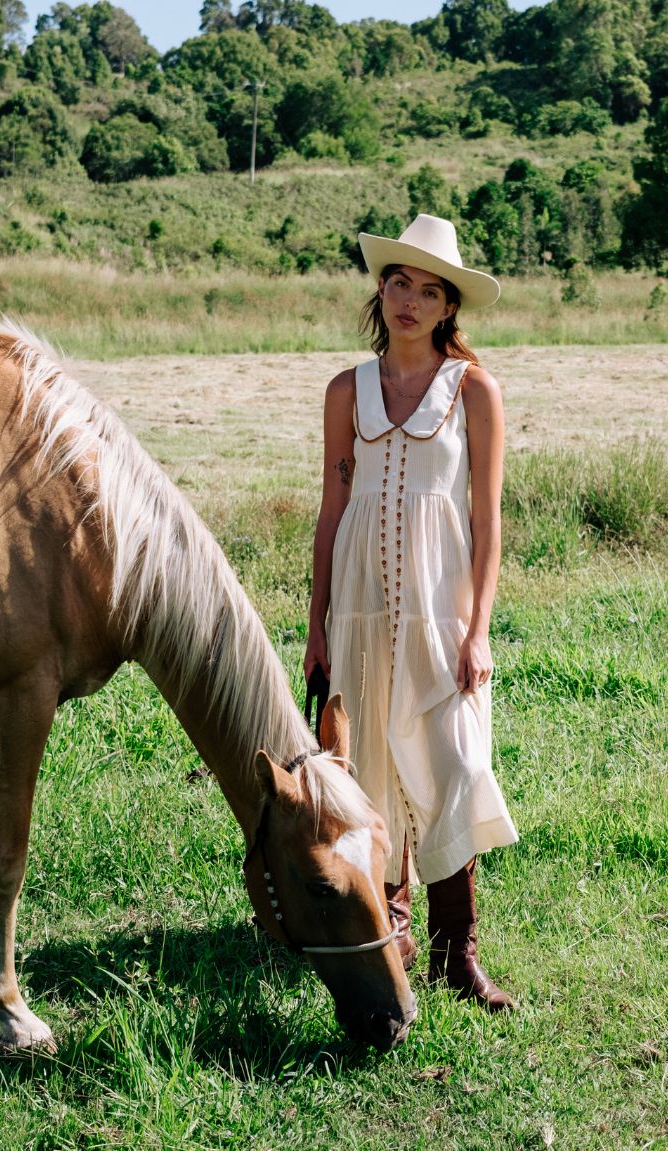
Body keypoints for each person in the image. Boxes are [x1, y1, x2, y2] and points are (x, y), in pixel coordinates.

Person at [304, 214, 519, 1010]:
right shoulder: (344, 390)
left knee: (455, 762)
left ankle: (454, 953)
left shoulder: (474, 391)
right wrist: (317, 624)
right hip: (358, 605)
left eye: (430, 290)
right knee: (371, 775)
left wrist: (479, 629)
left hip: (440, 607)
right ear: (381, 287)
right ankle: (389, 934)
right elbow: (330, 514)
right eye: (399, 281)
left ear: (447, 307)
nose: (409, 300)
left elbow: (488, 520)